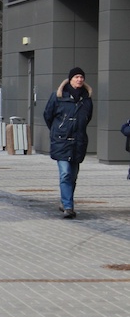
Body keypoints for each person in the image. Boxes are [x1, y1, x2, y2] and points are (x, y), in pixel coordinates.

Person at [43, 67, 93, 219]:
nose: (79, 79)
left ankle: (65, 201)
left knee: (73, 176)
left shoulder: (86, 99)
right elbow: (48, 115)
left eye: (81, 77)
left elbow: (87, 118)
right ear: (70, 79)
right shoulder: (58, 96)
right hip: (61, 141)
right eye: (76, 77)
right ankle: (68, 206)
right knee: (65, 173)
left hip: (78, 142)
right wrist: (58, 130)